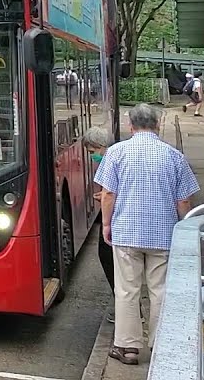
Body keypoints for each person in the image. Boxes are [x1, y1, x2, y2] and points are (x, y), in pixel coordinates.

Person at [96, 103, 200, 366]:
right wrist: (180, 226)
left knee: (127, 290)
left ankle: (128, 348)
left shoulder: (117, 152)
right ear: (156, 124)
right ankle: (160, 345)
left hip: (127, 233)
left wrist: (107, 225)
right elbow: (185, 200)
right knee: (161, 290)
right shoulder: (173, 156)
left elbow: (108, 194)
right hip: (163, 235)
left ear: (131, 125)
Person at [83, 126, 117, 323]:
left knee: (109, 258)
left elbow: (110, 194)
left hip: (116, 222)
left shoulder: (110, 159)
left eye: (92, 152)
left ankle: (127, 311)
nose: (92, 157)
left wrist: (105, 224)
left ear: (100, 146)